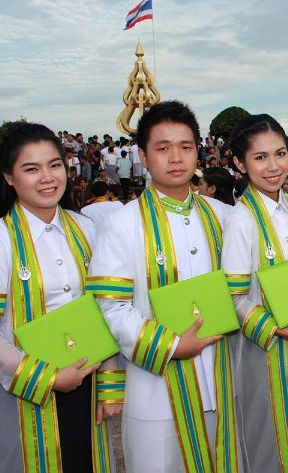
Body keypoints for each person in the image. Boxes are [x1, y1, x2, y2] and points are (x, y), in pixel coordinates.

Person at [87, 100, 240, 472]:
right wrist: (172, 345)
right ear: (142, 154)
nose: (176, 157)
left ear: (198, 152)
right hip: (156, 388)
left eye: (186, 147)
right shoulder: (123, 224)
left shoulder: (226, 217)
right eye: (163, 147)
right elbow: (110, 307)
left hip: (221, 379)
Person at [0, 123, 121, 472]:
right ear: (8, 177)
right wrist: (48, 378)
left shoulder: (86, 229)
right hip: (24, 393)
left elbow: (105, 310)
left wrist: (110, 383)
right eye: (31, 169)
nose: (47, 178)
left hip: (88, 383)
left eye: (54, 165)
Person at [221, 113, 288, 472]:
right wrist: (277, 329)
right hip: (266, 349)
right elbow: (234, 297)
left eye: (280, 154)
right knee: (273, 441)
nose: (273, 167)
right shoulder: (241, 220)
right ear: (240, 163)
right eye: (260, 157)